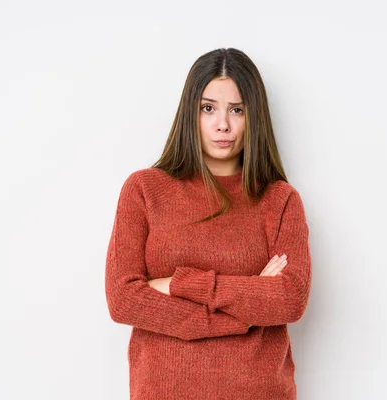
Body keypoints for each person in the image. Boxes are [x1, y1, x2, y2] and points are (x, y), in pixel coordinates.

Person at [104, 47, 312, 399]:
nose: (223, 124)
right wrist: (245, 309)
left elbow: (290, 299)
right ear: (191, 113)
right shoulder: (144, 190)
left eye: (237, 109)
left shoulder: (279, 200)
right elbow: (123, 299)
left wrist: (180, 283)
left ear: (253, 116)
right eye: (208, 108)